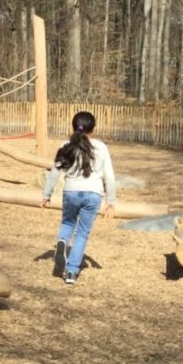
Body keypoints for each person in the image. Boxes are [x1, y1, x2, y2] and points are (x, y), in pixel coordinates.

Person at [41, 111, 117, 285]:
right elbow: (110, 176)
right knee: (82, 232)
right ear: (93, 129)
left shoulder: (66, 145)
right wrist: (110, 201)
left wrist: (46, 194)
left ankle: (62, 241)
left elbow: (54, 172)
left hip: (71, 192)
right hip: (93, 194)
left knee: (67, 223)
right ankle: (72, 272)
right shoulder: (101, 147)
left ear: (73, 126)